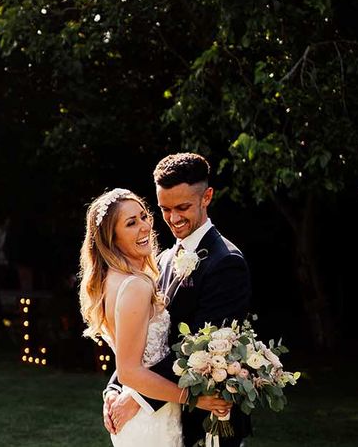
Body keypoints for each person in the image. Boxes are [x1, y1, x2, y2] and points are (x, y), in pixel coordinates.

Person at [102, 153, 252, 447]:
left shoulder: (227, 262)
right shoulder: (162, 259)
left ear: (206, 196)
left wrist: (138, 396)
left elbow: (201, 348)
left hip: (208, 419)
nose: (173, 218)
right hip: (167, 416)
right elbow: (145, 342)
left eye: (183, 207)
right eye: (165, 209)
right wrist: (115, 387)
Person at [79, 187, 232, 446]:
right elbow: (128, 371)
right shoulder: (135, 286)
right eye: (130, 223)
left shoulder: (110, 280)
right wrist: (194, 398)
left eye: (143, 216)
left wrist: (112, 390)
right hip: (151, 420)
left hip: (142, 413)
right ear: (112, 237)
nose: (144, 226)